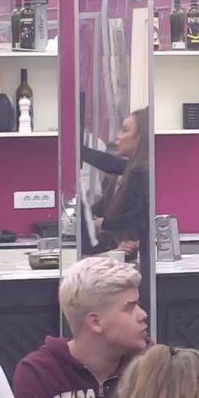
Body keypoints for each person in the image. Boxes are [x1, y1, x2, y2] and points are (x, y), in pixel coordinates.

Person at [13, 256, 149, 398]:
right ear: (95, 322)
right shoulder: (38, 372)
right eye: (130, 307)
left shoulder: (152, 363)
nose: (143, 314)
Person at [81, 108, 150, 276]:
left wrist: (104, 223)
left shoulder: (141, 172)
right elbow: (108, 163)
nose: (117, 136)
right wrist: (78, 149)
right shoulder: (130, 169)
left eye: (125, 130)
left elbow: (141, 217)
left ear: (141, 137)